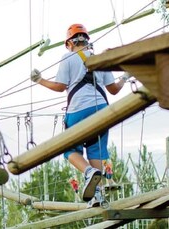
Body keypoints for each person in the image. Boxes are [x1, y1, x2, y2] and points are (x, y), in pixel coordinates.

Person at [30, 24, 128, 208]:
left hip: (79, 109)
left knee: (70, 150)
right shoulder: (100, 59)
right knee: (96, 150)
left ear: (69, 43)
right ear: (87, 40)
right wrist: (124, 78)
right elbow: (114, 90)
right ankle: (97, 195)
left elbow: (60, 86)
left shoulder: (68, 58)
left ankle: (88, 172)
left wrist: (39, 80)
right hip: (102, 110)